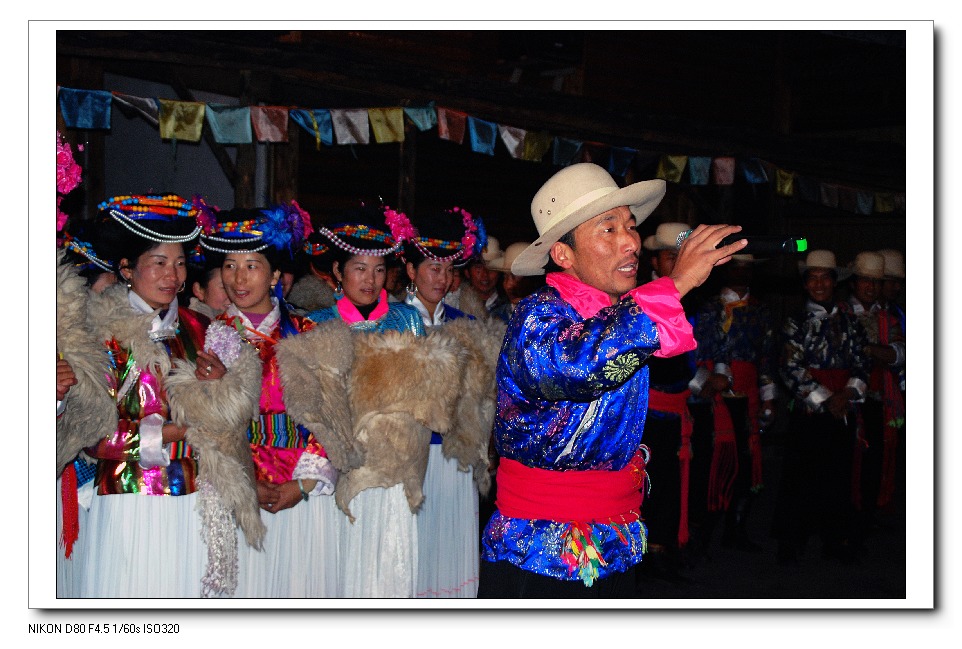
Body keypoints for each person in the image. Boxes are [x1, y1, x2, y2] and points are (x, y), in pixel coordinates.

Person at [477, 162, 746, 597]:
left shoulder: (612, 315)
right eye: (608, 229)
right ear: (563, 255)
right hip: (541, 547)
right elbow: (577, 367)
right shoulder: (538, 316)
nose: (631, 243)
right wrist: (674, 285)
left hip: (614, 534)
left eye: (631, 225)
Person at [72, 194, 264, 598]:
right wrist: (173, 434)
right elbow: (93, 436)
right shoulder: (100, 334)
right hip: (129, 501)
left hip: (196, 502)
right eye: (158, 263)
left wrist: (224, 388)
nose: (172, 276)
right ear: (127, 269)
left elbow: (237, 416)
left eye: (179, 263)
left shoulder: (203, 328)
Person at [197, 200, 348, 598]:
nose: (237, 278)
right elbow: (205, 427)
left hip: (302, 482)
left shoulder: (309, 333)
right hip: (237, 489)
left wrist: (305, 484)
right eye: (229, 265)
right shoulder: (208, 338)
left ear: (276, 275)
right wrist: (245, 483)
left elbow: (333, 414)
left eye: (251, 265)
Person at [305, 203, 429, 597]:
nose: (371, 279)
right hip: (338, 457)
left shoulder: (406, 319)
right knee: (339, 561)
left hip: (392, 457)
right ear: (338, 272)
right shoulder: (318, 323)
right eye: (359, 268)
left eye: (378, 270)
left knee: (388, 560)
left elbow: (422, 387)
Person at [400, 206, 504, 598]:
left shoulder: (468, 327)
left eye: (447, 271)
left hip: (455, 458)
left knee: (448, 555)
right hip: (407, 458)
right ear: (410, 271)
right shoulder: (392, 324)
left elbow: (483, 398)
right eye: (431, 269)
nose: (442, 279)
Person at [772, 249, 871, 566]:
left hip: (843, 410)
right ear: (805, 284)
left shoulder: (851, 322)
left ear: (834, 282)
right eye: (812, 278)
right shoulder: (795, 322)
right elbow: (790, 367)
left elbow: (862, 362)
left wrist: (847, 395)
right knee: (800, 475)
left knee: (838, 476)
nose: (818, 284)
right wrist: (827, 398)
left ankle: (834, 538)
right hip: (810, 411)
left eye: (824, 277)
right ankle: (792, 540)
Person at [688, 253, 777, 555]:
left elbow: (766, 358)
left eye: (747, 268)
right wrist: (705, 383)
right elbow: (694, 353)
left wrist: (768, 398)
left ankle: (735, 529)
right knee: (711, 461)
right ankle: (701, 533)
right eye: (735, 267)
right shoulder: (708, 308)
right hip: (713, 391)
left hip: (748, 391)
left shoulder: (761, 311)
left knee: (746, 461)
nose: (741, 273)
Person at [634, 221, 701, 582]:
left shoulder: (695, 298)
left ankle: (671, 544)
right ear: (655, 262)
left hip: (682, 408)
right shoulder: (641, 300)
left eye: (681, 256)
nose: (676, 262)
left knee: (679, 481)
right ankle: (645, 551)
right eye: (669, 256)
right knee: (647, 482)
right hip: (648, 411)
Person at [839, 251, 905, 541]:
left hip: (876, 401)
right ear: (854, 283)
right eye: (865, 280)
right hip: (843, 401)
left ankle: (863, 522)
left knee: (871, 466)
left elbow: (899, 354)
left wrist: (866, 350)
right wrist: (877, 352)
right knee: (842, 465)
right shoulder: (839, 312)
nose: (871, 287)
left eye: (876, 282)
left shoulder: (888, 317)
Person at [486, 241, 543, 323]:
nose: (508, 284)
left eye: (515, 277)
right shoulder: (496, 316)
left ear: (531, 280)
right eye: (505, 276)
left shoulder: (547, 316)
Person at [458, 235, 507, 319]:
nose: (485, 274)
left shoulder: (510, 308)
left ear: (499, 272)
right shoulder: (456, 305)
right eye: (478, 267)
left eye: (491, 268)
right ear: (467, 272)